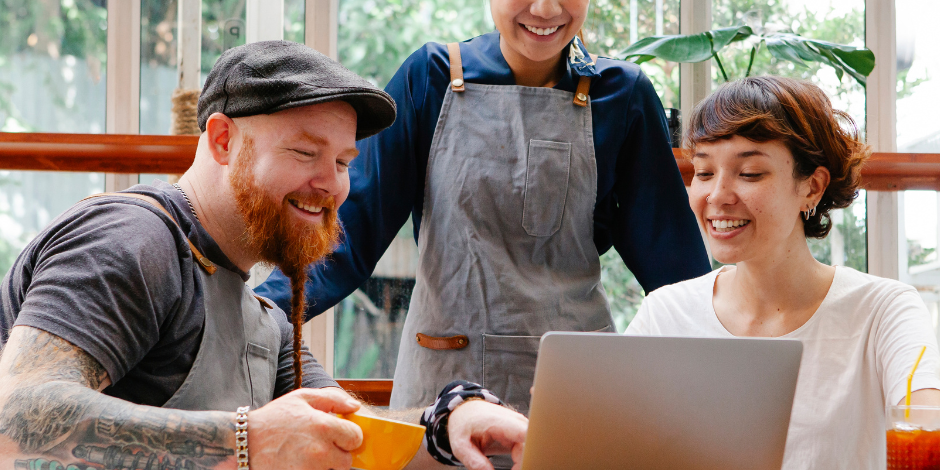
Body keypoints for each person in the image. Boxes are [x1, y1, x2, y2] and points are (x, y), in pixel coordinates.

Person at [0, 40, 527, 470]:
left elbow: (354, 436)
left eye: (343, 161)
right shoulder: (130, 240)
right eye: (305, 152)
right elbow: (15, 416)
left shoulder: (263, 322)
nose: (332, 184)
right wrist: (249, 439)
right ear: (223, 140)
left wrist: (450, 419)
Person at [256, 0, 711, 414]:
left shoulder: (622, 95)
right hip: (441, 386)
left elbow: (675, 269)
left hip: (575, 388)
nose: (546, 9)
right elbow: (349, 237)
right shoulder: (429, 77)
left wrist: (733, 380)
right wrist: (255, 314)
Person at [625, 76, 940, 469]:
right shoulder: (665, 315)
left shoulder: (883, 311)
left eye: (750, 173)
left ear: (812, 187)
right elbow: (604, 439)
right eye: (703, 173)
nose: (717, 196)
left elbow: (925, 418)